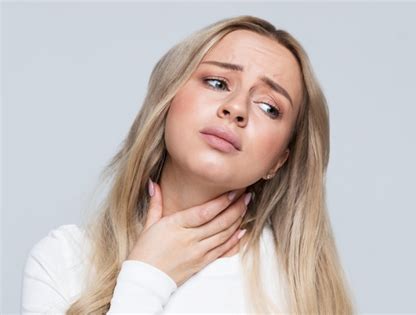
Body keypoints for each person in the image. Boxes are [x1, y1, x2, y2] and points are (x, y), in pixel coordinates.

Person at [21, 15, 355, 314]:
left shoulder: (298, 292)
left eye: (269, 106)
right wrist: (146, 275)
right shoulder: (63, 260)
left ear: (279, 160)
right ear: (168, 99)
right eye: (218, 83)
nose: (236, 107)